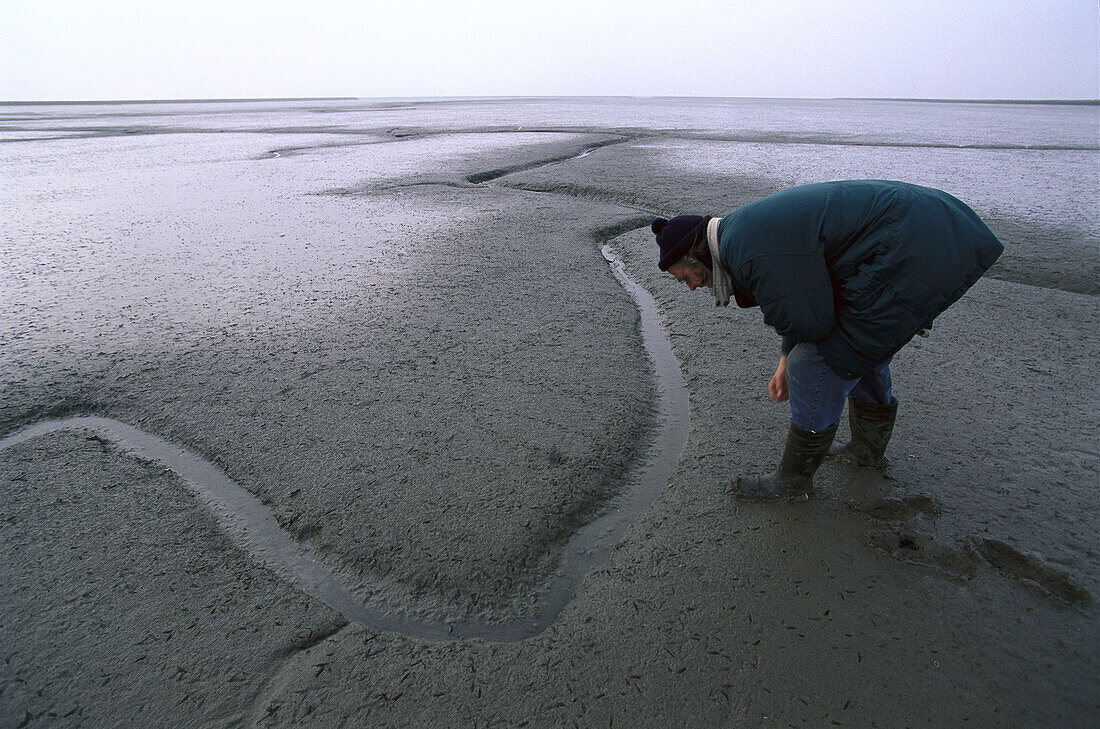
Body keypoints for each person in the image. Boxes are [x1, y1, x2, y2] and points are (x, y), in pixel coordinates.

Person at [652, 180, 1003, 501]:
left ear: (695, 255)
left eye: (685, 276)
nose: (692, 286)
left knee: (818, 359)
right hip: (932, 226)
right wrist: (782, 358)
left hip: (919, 243)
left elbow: (811, 322)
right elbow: (804, 293)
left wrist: (792, 360)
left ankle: (792, 482)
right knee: (861, 343)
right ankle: (865, 452)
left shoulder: (746, 250)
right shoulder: (740, 234)